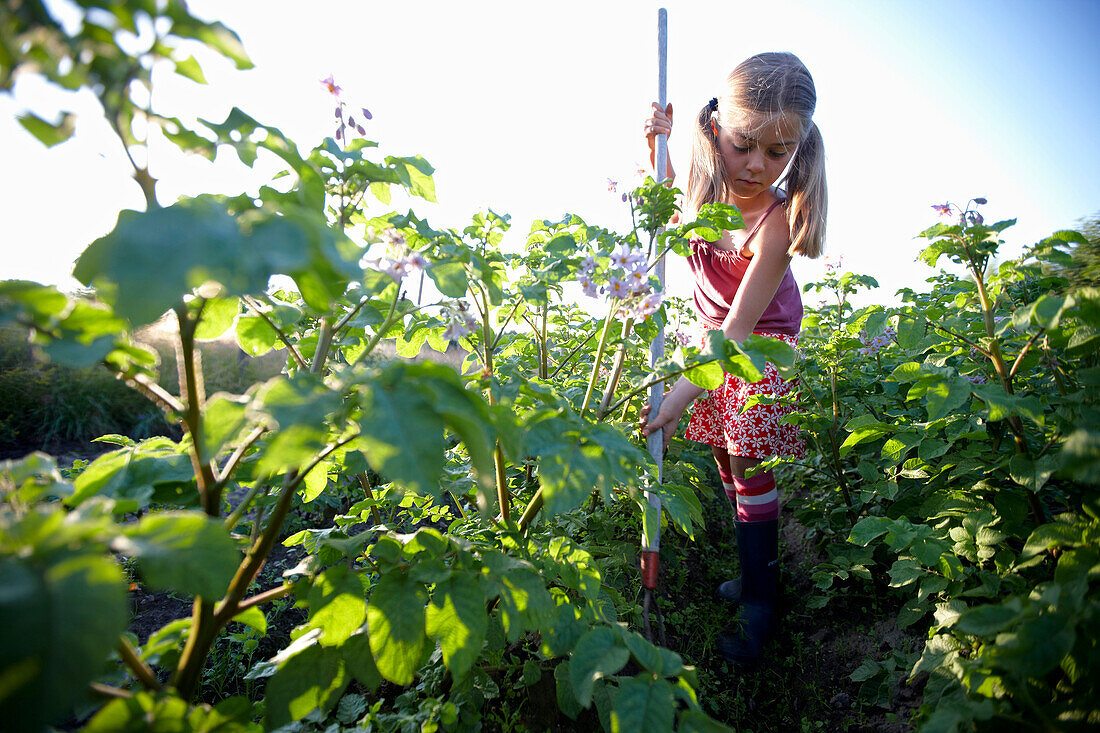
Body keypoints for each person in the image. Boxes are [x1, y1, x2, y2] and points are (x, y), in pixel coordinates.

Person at [639, 52, 827, 665]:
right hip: (710, 346)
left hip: (757, 350)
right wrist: (656, 147)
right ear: (717, 126)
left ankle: (762, 605)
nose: (757, 166)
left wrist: (675, 397)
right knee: (724, 457)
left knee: (749, 465)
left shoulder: (775, 223)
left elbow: (741, 335)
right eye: (745, 145)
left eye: (778, 154)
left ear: (796, 151)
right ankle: (751, 574)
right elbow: (658, 206)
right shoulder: (702, 194)